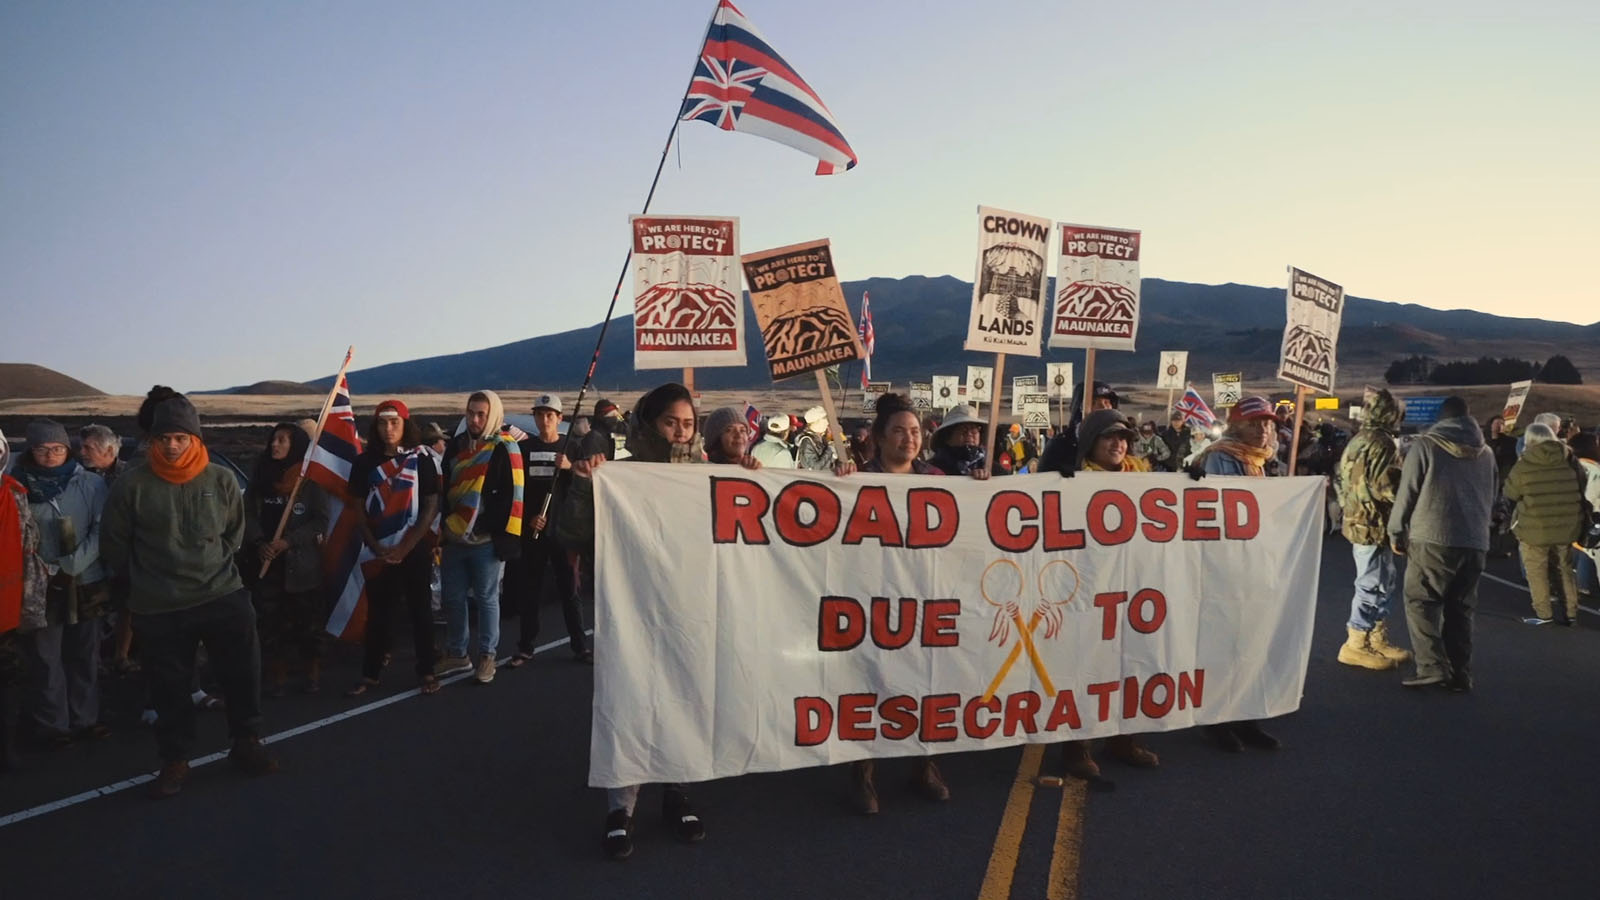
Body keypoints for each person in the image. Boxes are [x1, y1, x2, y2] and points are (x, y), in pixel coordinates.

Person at [101, 395, 277, 796]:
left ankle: (247, 742)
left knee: (242, 672)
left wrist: (214, 563)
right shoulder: (133, 483)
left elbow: (234, 532)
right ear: (152, 441)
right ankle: (175, 759)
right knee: (168, 686)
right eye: (164, 438)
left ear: (196, 439)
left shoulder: (220, 479)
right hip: (159, 603)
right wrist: (147, 579)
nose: (172, 445)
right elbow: (114, 543)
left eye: (181, 437)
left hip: (221, 591)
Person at [602, 383, 710, 860]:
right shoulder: (620, 477)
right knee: (627, 699)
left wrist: (745, 474)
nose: (680, 433)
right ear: (650, 424)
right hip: (633, 609)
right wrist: (587, 489)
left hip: (688, 607)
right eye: (671, 422)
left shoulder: (707, 477)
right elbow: (571, 533)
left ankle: (678, 793)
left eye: (687, 424)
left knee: (684, 698)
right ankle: (620, 808)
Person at [850, 394, 951, 813]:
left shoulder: (939, 478)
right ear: (878, 437)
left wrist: (979, 487)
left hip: (924, 595)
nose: (909, 438)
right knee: (865, 682)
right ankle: (862, 773)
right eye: (899, 431)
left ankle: (922, 763)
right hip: (870, 595)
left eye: (915, 431)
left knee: (924, 679)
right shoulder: (855, 479)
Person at [1058, 410, 1161, 781]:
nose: (1118, 444)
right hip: (1090, 589)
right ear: (1091, 443)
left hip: (1134, 586)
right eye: (1108, 437)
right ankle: (1077, 744)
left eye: (1123, 438)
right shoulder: (1073, 481)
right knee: (1085, 666)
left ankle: (1123, 738)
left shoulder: (1144, 478)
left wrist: (1192, 484)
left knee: (1131, 663)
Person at [13, 420, 111, 747]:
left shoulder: (91, 484)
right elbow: (16, 535)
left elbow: (102, 529)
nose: (51, 455)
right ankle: (53, 723)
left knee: (84, 651)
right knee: (45, 655)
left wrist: (72, 564)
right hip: (40, 583)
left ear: (67, 450)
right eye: (43, 449)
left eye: (57, 448)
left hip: (86, 579)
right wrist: (46, 570)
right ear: (31, 450)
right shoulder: (16, 486)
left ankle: (85, 718)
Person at [1389, 396, 1497, 692]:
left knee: (1421, 601)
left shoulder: (1426, 446)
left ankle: (1431, 666)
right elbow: (1493, 495)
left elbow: (1408, 491)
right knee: (1460, 608)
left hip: (1433, 536)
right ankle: (1461, 672)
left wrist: (1396, 529)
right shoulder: (1486, 452)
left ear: (1441, 418)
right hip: (1475, 540)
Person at [1194, 397, 1283, 751]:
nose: (1263, 430)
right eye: (1255, 423)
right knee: (1225, 644)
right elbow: (1230, 508)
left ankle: (1246, 717)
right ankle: (1217, 719)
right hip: (1226, 566)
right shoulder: (1222, 456)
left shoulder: (1256, 461)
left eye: (1268, 424)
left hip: (1252, 563)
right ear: (1236, 426)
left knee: (1251, 642)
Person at [346, 401, 443, 695]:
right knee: (379, 613)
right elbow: (357, 507)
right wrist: (376, 545)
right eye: (382, 423)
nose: (388, 429)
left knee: (420, 611)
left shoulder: (420, 459)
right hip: (379, 549)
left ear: (405, 425)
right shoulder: (364, 463)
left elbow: (429, 506)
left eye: (394, 423)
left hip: (412, 549)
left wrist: (405, 546)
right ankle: (371, 674)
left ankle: (426, 670)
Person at [437, 391, 524, 685]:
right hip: (454, 536)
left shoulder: (505, 448)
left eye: (481, 414)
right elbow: (446, 488)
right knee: (452, 598)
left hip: (485, 539)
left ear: (493, 415)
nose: (474, 420)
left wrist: (482, 525)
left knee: (486, 598)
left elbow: (510, 497)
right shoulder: (457, 446)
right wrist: (448, 524)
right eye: (470, 413)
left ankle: (487, 655)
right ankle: (457, 653)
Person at [243, 423, 329, 697]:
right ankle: (277, 676)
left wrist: (289, 540)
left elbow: (321, 520)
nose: (275, 445)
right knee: (271, 624)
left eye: (282, 441)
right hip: (267, 565)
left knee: (307, 624)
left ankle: (312, 673)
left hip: (301, 567)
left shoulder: (309, 481)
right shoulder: (260, 478)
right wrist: (259, 543)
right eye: (273, 440)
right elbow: (248, 516)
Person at [506, 394, 588, 669]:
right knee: (531, 590)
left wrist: (570, 467)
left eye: (549, 415)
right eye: (539, 415)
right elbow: (518, 489)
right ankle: (526, 646)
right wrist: (529, 517)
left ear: (559, 418)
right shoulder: (525, 448)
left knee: (569, 590)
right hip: (535, 531)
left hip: (563, 532)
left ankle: (579, 645)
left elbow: (588, 484)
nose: (544, 420)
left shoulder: (572, 448)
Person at [1333, 389, 1412, 670]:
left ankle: (1374, 638)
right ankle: (1356, 643)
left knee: (1382, 579)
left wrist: (1349, 507)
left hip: (1359, 519)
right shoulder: (1384, 444)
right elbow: (1387, 486)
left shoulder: (1357, 440)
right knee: (1372, 582)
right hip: (1374, 522)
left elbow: (1340, 478)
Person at [1503, 423, 1585, 626]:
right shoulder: (1569, 459)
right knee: (1564, 567)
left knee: (1536, 569)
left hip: (1534, 526)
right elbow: (1582, 484)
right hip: (1567, 523)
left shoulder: (1525, 462)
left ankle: (1543, 613)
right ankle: (1571, 612)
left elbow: (1510, 492)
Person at [2, 428, 50, 772]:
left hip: (6, 607)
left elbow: (29, 549)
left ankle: (6, 746)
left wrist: (30, 605)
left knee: (7, 680)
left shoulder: (14, 494)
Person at [1570, 433, 1600, 598]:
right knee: (1589, 549)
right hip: (1592, 514)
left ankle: (1577, 583)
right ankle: (1583, 583)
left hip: (1572, 513)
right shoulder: (1595, 470)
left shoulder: (1572, 466)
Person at [927, 405, 991, 479]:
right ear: (947, 437)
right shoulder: (930, 470)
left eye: (974, 429)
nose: (969, 434)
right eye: (963, 429)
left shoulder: (992, 468)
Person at [794, 406, 836, 471]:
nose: (827, 423)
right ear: (816, 422)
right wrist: (830, 449)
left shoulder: (822, 439)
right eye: (824, 419)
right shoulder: (806, 442)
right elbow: (815, 468)